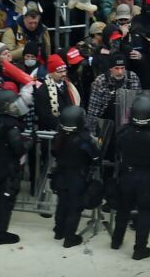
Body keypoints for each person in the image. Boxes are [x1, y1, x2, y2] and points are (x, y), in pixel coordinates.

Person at [111, 96, 150, 259]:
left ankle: (116, 241)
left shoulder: (123, 131)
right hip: (148, 178)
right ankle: (140, 249)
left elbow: (116, 152)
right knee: (145, 212)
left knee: (123, 209)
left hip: (127, 175)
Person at [0, 89, 30, 244]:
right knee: (6, 199)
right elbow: (18, 148)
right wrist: (29, 143)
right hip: (7, 166)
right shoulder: (11, 125)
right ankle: (1, 234)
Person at [51, 106, 101, 248]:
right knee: (75, 207)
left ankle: (59, 231)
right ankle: (69, 237)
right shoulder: (84, 140)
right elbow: (96, 157)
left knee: (62, 204)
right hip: (77, 177)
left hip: (60, 175)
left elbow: (54, 152)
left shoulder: (59, 136)